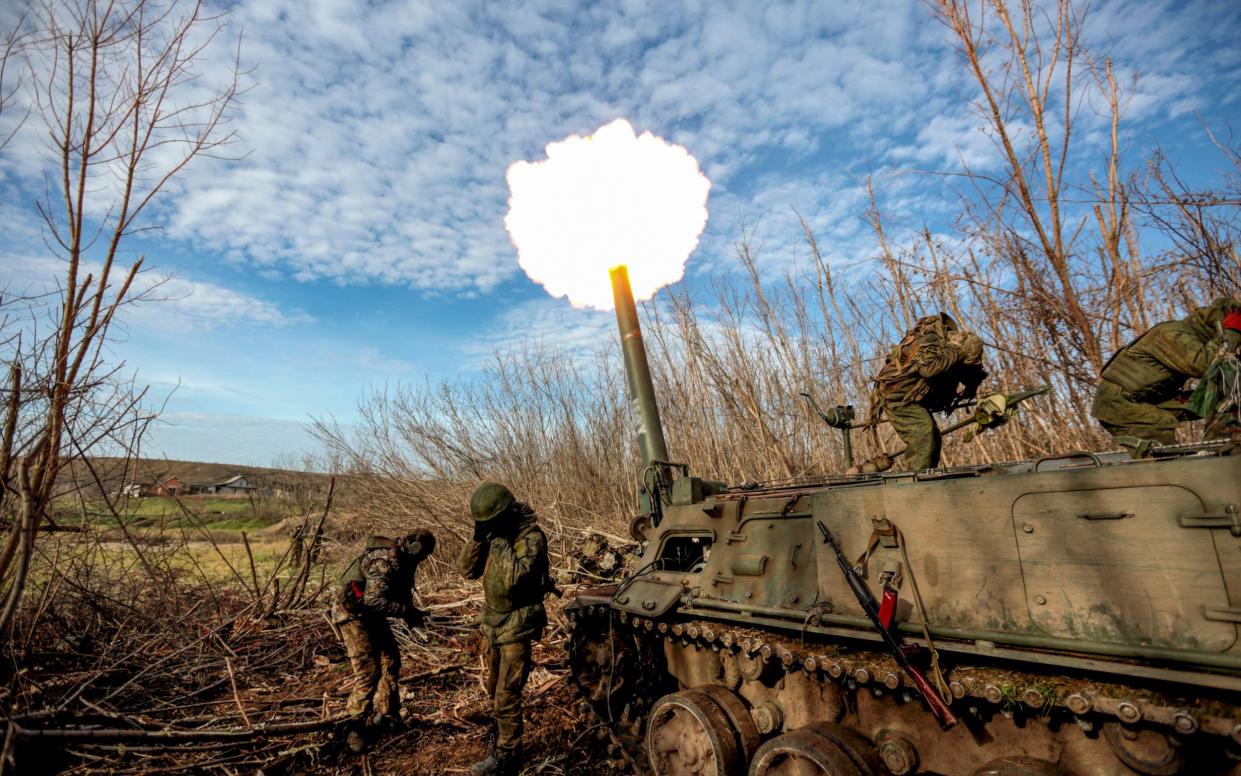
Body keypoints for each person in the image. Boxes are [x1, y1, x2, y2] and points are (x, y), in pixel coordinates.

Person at [458, 482, 551, 776]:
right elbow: (467, 571)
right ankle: (500, 736)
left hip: (517, 624)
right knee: (493, 688)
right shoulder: (495, 534)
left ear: (507, 514)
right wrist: (477, 539)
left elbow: (513, 580)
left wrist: (498, 541)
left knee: (507, 695)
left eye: (491, 522)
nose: (488, 528)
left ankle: (508, 756)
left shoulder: (531, 538)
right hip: (494, 624)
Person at [1092, 297, 1241, 448]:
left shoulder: (1196, 338)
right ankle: (1214, 459)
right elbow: (1205, 365)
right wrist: (1233, 332)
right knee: (1164, 452)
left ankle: (1224, 448)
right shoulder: (1171, 334)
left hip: (1152, 398)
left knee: (1225, 396)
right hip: (1119, 405)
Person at [330, 530, 436, 740]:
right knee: (369, 672)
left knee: (391, 661)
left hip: (370, 614)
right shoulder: (383, 561)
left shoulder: (405, 561)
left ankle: (387, 714)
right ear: (415, 549)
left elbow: (399, 595)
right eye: (423, 555)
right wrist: (405, 612)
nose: (424, 560)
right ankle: (354, 727)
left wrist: (412, 615)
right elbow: (374, 601)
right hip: (352, 616)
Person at [870, 312, 987, 470]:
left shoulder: (948, 346)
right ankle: (918, 484)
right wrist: (956, 351)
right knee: (923, 432)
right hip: (896, 396)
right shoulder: (929, 341)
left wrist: (974, 380)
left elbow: (962, 369)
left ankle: (927, 476)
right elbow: (928, 369)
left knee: (933, 437)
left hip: (911, 396)